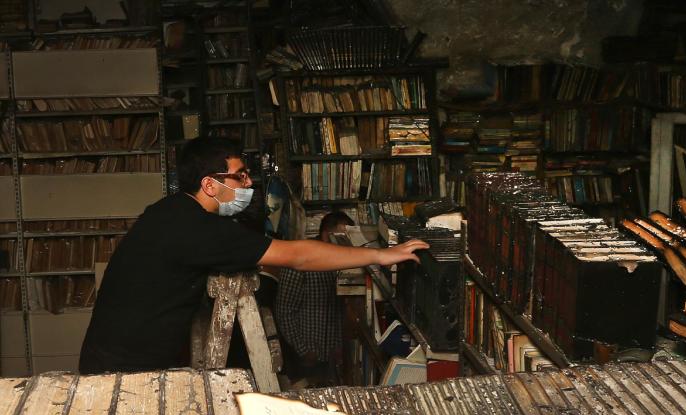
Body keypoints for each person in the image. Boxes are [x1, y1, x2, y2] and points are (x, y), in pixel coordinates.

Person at [79, 137, 428, 374]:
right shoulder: (201, 230)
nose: (248, 184)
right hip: (124, 368)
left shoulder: (171, 209)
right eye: (239, 176)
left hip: (108, 352)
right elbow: (299, 257)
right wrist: (380, 256)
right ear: (210, 185)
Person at [274, 210, 353, 386]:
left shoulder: (341, 261)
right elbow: (285, 311)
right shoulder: (302, 262)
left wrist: (338, 347)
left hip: (332, 355)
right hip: (307, 354)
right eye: (341, 238)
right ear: (326, 235)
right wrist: (304, 350)